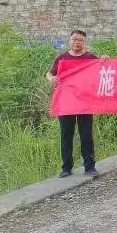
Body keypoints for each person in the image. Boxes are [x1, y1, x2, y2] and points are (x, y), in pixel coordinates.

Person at [46, 29, 99, 178]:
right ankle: (66, 168)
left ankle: (89, 166)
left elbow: (103, 69)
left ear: (85, 42)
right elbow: (49, 73)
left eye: (80, 40)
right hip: (66, 102)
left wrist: (105, 60)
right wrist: (51, 79)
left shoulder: (90, 57)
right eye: (74, 39)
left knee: (86, 135)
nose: (77, 42)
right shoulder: (62, 58)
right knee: (66, 135)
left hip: (85, 102)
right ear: (69, 41)